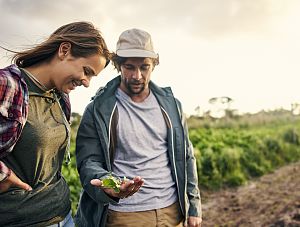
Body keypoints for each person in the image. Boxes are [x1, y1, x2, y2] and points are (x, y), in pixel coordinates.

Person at [75, 28, 202, 227]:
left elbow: (186, 155)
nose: (137, 75)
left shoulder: (171, 105)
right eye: (129, 67)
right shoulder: (98, 108)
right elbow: (88, 161)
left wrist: (193, 206)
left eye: (144, 67)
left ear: (154, 65)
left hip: (172, 210)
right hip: (125, 215)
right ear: (118, 65)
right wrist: (108, 183)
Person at [0, 21, 110, 227]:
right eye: (86, 71)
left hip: (63, 215)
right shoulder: (7, 84)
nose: (87, 82)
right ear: (64, 50)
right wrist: (3, 177)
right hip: (20, 220)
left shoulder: (61, 97)